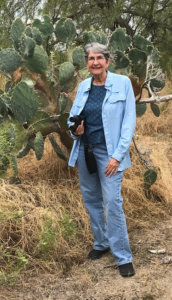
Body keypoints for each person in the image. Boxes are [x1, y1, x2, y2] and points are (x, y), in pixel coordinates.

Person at [67, 42, 136, 277]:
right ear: (86, 63)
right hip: (85, 149)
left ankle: (123, 257)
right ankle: (101, 243)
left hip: (110, 153)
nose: (94, 62)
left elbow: (128, 122)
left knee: (112, 202)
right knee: (91, 199)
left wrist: (117, 156)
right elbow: (72, 119)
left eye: (99, 58)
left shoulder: (122, 83)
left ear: (107, 61)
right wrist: (74, 130)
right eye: (90, 58)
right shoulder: (84, 86)